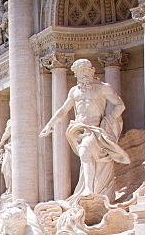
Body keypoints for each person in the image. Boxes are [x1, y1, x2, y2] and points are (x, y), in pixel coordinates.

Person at [40, 58, 129, 203]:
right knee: (85, 157)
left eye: (86, 71)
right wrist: (50, 124)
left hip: (96, 129)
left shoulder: (103, 87)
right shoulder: (74, 91)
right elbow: (63, 110)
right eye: (80, 73)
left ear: (92, 71)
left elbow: (120, 105)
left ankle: (89, 188)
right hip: (79, 130)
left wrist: (109, 119)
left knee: (85, 153)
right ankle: (88, 187)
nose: (83, 75)